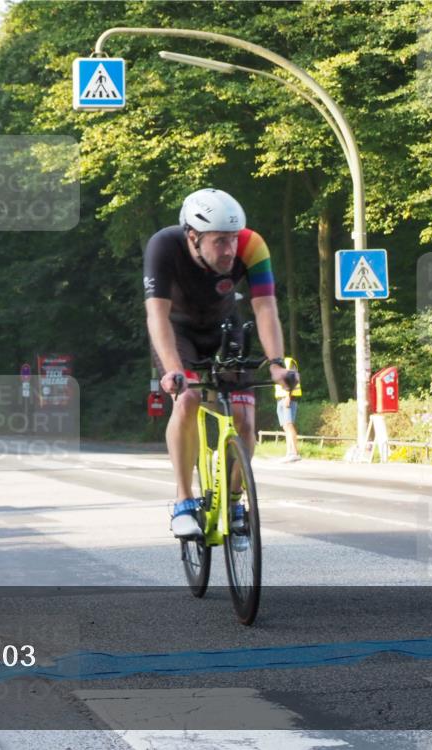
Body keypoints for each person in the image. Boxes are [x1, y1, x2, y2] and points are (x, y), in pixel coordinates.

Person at [143, 188, 298, 538]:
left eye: (232, 239)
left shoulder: (252, 245)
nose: (230, 250)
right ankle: (184, 501)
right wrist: (173, 371)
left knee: (244, 416)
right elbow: (157, 317)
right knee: (188, 399)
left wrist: (276, 363)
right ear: (193, 237)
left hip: (223, 329)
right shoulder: (163, 246)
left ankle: (234, 500)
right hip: (176, 331)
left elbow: (265, 306)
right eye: (219, 241)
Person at [275, 356, 302, 462]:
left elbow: (292, 379)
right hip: (280, 399)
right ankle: (289, 452)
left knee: (289, 425)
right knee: (286, 426)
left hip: (288, 398)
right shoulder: (279, 364)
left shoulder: (288, 362)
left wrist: (287, 396)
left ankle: (295, 452)